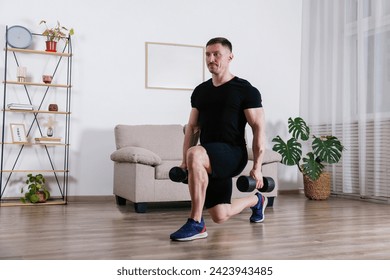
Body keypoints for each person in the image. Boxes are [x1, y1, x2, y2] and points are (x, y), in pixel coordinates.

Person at [170, 37, 267, 241]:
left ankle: (196, 223)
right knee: (220, 215)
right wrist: (184, 161)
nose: (211, 58)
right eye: (207, 54)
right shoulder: (201, 91)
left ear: (230, 57)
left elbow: (258, 128)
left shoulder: (245, 90)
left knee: (195, 153)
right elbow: (192, 128)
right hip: (208, 156)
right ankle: (256, 201)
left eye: (216, 54)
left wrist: (257, 167)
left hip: (232, 153)